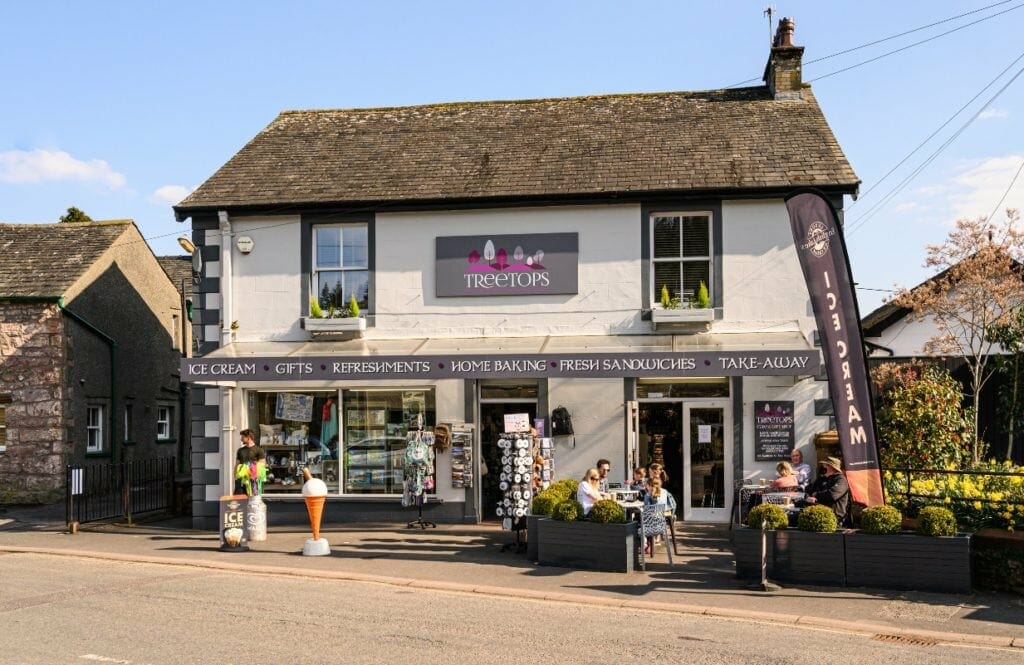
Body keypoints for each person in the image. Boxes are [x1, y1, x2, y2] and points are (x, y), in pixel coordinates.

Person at [804, 456, 851, 526]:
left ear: (830, 466)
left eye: (825, 465)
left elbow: (832, 495)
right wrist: (807, 498)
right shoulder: (821, 478)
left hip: (834, 516)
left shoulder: (841, 480)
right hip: (816, 513)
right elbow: (808, 490)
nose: (823, 466)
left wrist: (816, 496)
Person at [234, 428, 266, 496]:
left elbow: (262, 465)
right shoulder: (240, 450)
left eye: (243, 437)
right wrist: (236, 478)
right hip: (241, 481)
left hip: (254, 481)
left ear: (248, 437)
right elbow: (237, 464)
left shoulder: (259, 450)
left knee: (253, 501)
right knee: (240, 501)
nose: (241, 439)